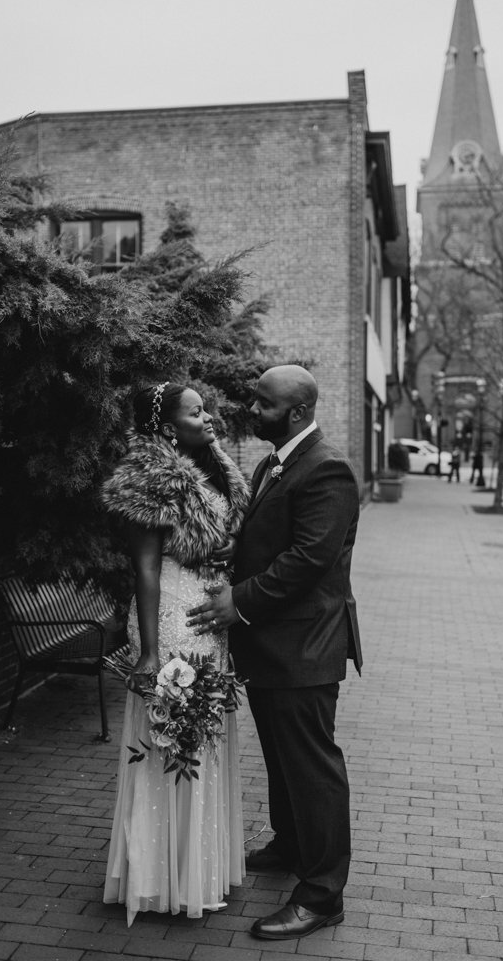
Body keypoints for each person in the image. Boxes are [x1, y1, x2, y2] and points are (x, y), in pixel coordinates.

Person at [186, 364, 363, 942]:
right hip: (272, 643)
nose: (250, 411)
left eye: (262, 404)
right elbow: (270, 539)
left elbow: (308, 560)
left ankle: (320, 896)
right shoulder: (273, 461)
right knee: (284, 761)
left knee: (313, 770)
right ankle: (291, 846)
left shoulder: (327, 468)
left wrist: (238, 601)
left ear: (295, 412)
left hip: (304, 647)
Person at [101, 382, 250, 924]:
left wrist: (232, 549)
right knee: (169, 741)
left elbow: (216, 536)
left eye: (207, 408)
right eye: (195, 411)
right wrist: (149, 652)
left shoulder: (209, 467)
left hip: (209, 622)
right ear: (168, 427)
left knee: (203, 738)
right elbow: (144, 568)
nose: (208, 417)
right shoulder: (150, 480)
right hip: (171, 623)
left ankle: (199, 866)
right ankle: (162, 876)